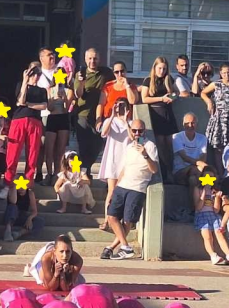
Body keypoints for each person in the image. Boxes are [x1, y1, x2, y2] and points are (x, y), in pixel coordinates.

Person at [101, 120, 158, 260]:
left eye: (140, 130)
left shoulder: (150, 146)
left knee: (127, 221)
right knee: (112, 216)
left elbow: (154, 170)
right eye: (134, 130)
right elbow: (124, 168)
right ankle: (125, 246)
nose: (137, 133)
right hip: (122, 186)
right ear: (130, 131)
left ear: (144, 131)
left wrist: (145, 155)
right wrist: (115, 188)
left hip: (137, 188)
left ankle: (114, 247)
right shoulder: (129, 147)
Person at [6, 63, 48, 183]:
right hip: (19, 120)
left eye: (38, 74)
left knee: (32, 153)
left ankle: (29, 182)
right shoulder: (21, 85)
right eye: (33, 73)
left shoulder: (42, 90)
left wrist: (29, 105)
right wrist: (25, 81)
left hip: (35, 121)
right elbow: (20, 100)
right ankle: (8, 182)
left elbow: (44, 106)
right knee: (13, 152)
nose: (35, 76)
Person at [140, 56, 179, 183]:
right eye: (159, 68)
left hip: (168, 113)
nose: (162, 71)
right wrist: (161, 98)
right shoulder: (148, 80)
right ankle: (163, 173)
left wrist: (171, 97)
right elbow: (144, 98)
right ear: (155, 68)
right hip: (156, 113)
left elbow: (177, 93)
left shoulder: (169, 79)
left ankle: (171, 172)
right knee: (160, 144)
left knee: (170, 145)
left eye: (164, 69)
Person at [200, 64, 229, 169]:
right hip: (218, 118)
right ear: (220, 73)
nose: (226, 75)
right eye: (224, 73)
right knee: (218, 148)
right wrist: (209, 102)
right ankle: (220, 172)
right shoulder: (216, 84)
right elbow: (203, 93)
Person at [73, 48, 113, 169]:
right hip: (83, 115)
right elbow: (78, 94)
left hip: (100, 115)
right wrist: (82, 83)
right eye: (90, 58)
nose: (92, 61)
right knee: (83, 146)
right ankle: (84, 171)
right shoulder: (80, 75)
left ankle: (86, 168)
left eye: (95, 58)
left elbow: (115, 84)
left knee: (97, 145)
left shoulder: (106, 73)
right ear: (85, 59)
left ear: (99, 59)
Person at [40, 48, 71, 184]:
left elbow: (66, 109)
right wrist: (52, 98)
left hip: (63, 119)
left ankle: (58, 174)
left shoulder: (68, 90)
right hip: (52, 118)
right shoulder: (49, 89)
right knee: (49, 149)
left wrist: (64, 98)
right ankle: (49, 173)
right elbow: (50, 108)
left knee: (60, 150)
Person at [193, 166, 229, 266]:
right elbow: (198, 207)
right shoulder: (197, 189)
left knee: (219, 233)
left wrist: (217, 198)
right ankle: (213, 255)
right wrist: (204, 192)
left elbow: (216, 210)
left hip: (213, 215)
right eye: (206, 176)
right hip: (202, 214)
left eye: (211, 177)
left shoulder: (215, 190)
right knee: (207, 236)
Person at [98, 97, 132, 211]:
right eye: (117, 105)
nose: (120, 107)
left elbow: (133, 138)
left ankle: (118, 216)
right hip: (112, 158)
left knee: (122, 191)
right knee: (111, 191)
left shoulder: (131, 123)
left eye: (122, 105)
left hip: (126, 159)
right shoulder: (110, 121)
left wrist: (126, 121)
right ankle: (107, 217)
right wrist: (112, 116)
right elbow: (103, 133)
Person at [3, 176, 45, 242]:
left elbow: (34, 211)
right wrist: (14, 187)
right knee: (13, 207)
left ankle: (19, 233)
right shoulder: (12, 191)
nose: (21, 188)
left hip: (22, 215)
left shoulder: (30, 193)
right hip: (11, 215)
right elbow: (13, 201)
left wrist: (29, 218)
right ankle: (8, 231)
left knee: (40, 221)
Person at [54, 149, 95, 215]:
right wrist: (58, 192)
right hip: (68, 194)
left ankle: (84, 208)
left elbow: (88, 181)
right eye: (71, 162)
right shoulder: (64, 173)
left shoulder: (81, 171)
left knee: (85, 185)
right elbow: (56, 185)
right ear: (67, 162)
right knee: (67, 184)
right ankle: (63, 207)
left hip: (79, 193)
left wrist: (82, 181)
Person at [171, 112, 208, 185]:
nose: (190, 125)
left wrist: (201, 164)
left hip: (196, 170)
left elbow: (203, 157)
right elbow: (184, 157)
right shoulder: (177, 137)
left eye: (193, 123)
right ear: (183, 124)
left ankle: (203, 191)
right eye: (187, 123)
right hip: (180, 170)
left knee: (192, 179)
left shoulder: (202, 138)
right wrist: (200, 164)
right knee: (201, 170)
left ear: (196, 124)